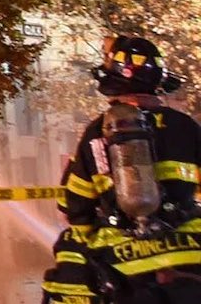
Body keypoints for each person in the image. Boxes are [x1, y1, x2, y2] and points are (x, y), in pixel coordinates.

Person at [41, 36, 201, 304]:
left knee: (67, 268)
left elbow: (73, 207)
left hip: (124, 267)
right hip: (192, 256)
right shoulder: (185, 126)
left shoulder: (95, 133)